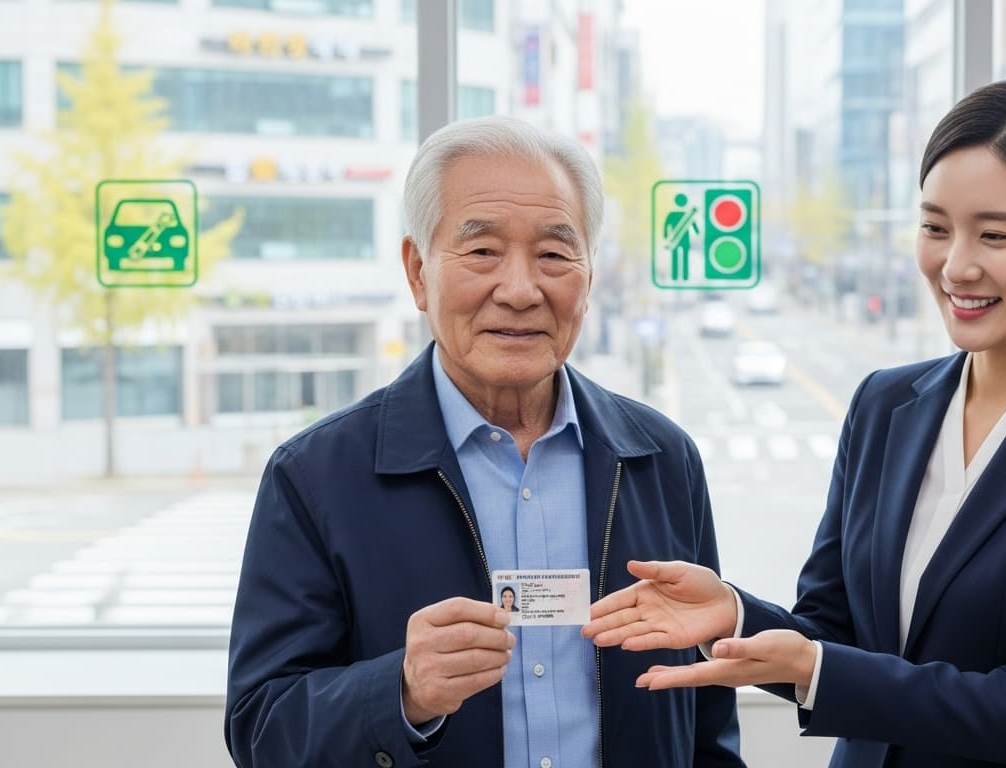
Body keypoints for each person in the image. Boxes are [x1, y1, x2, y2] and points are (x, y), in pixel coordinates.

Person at [583, 79, 1006, 768]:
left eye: (995, 235)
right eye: (935, 228)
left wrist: (817, 668)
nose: (956, 265)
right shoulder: (884, 404)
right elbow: (829, 633)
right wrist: (733, 613)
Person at [226, 116, 742, 768]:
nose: (521, 290)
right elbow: (260, 730)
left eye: (554, 254)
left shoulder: (660, 458)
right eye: (481, 252)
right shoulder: (316, 476)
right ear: (418, 272)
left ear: (590, 275)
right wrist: (402, 692)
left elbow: (708, 725)